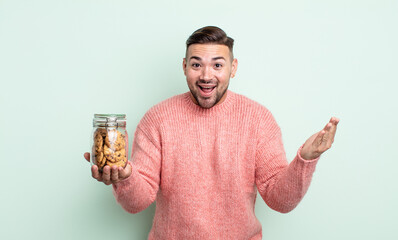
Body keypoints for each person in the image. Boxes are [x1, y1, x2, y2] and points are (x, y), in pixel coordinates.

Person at [84, 26, 339, 239]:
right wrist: (124, 177)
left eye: (217, 65)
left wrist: (305, 159)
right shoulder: (157, 119)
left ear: (233, 67)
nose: (207, 75)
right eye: (197, 64)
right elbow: (136, 202)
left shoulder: (258, 119)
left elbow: (280, 200)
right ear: (184, 67)